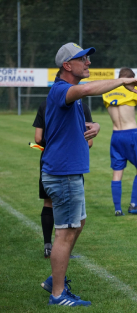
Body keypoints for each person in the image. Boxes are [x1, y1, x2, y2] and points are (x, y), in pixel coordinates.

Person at [41, 42, 137, 307]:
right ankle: (57, 295)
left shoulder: (72, 96)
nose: (88, 63)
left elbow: (79, 125)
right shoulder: (62, 89)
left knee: (77, 225)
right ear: (67, 66)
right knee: (65, 233)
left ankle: (54, 279)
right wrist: (125, 80)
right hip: (63, 172)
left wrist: (96, 125)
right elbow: (88, 89)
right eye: (83, 59)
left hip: (70, 172)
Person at [33, 100, 93, 258]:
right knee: (73, 214)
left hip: (48, 160)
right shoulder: (82, 106)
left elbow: (38, 139)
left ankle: (47, 246)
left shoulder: (45, 105)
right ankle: (64, 251)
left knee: (48, 202)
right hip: (72, 163)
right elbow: (90, 142)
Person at [102, 67, 137, 216]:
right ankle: (133, 205)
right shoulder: (134, 91)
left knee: (117, 171)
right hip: (131, 134)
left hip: (116, 135)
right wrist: (136, 91)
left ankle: (117, 209)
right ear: (132, 79)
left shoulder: (107, 92)